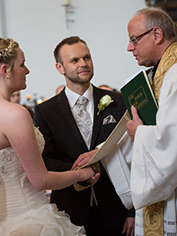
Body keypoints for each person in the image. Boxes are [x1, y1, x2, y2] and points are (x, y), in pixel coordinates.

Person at [80, 7, 177, 235]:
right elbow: (142, 127)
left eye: (134, 39)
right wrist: (100, 154)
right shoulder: (162, 73)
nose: (129, 47)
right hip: (175, 193)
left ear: (156, 34)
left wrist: (140, 133)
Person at [0, 35, 99, 235]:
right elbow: (41, 180)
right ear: (5, 71)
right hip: (27, 219)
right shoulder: (14, 114)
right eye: (22, 64)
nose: (27, 70)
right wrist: (81, 174)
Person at [34, 36, 135, 236]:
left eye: (86, 57)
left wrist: (132, 211)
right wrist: (79, 171)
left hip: (116, 208)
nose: (83, 64)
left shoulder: (118, 101)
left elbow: (131, 155)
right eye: (75, 60)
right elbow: (46, 161)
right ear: (60, 68)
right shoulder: (46, 111)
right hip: (70, 210)